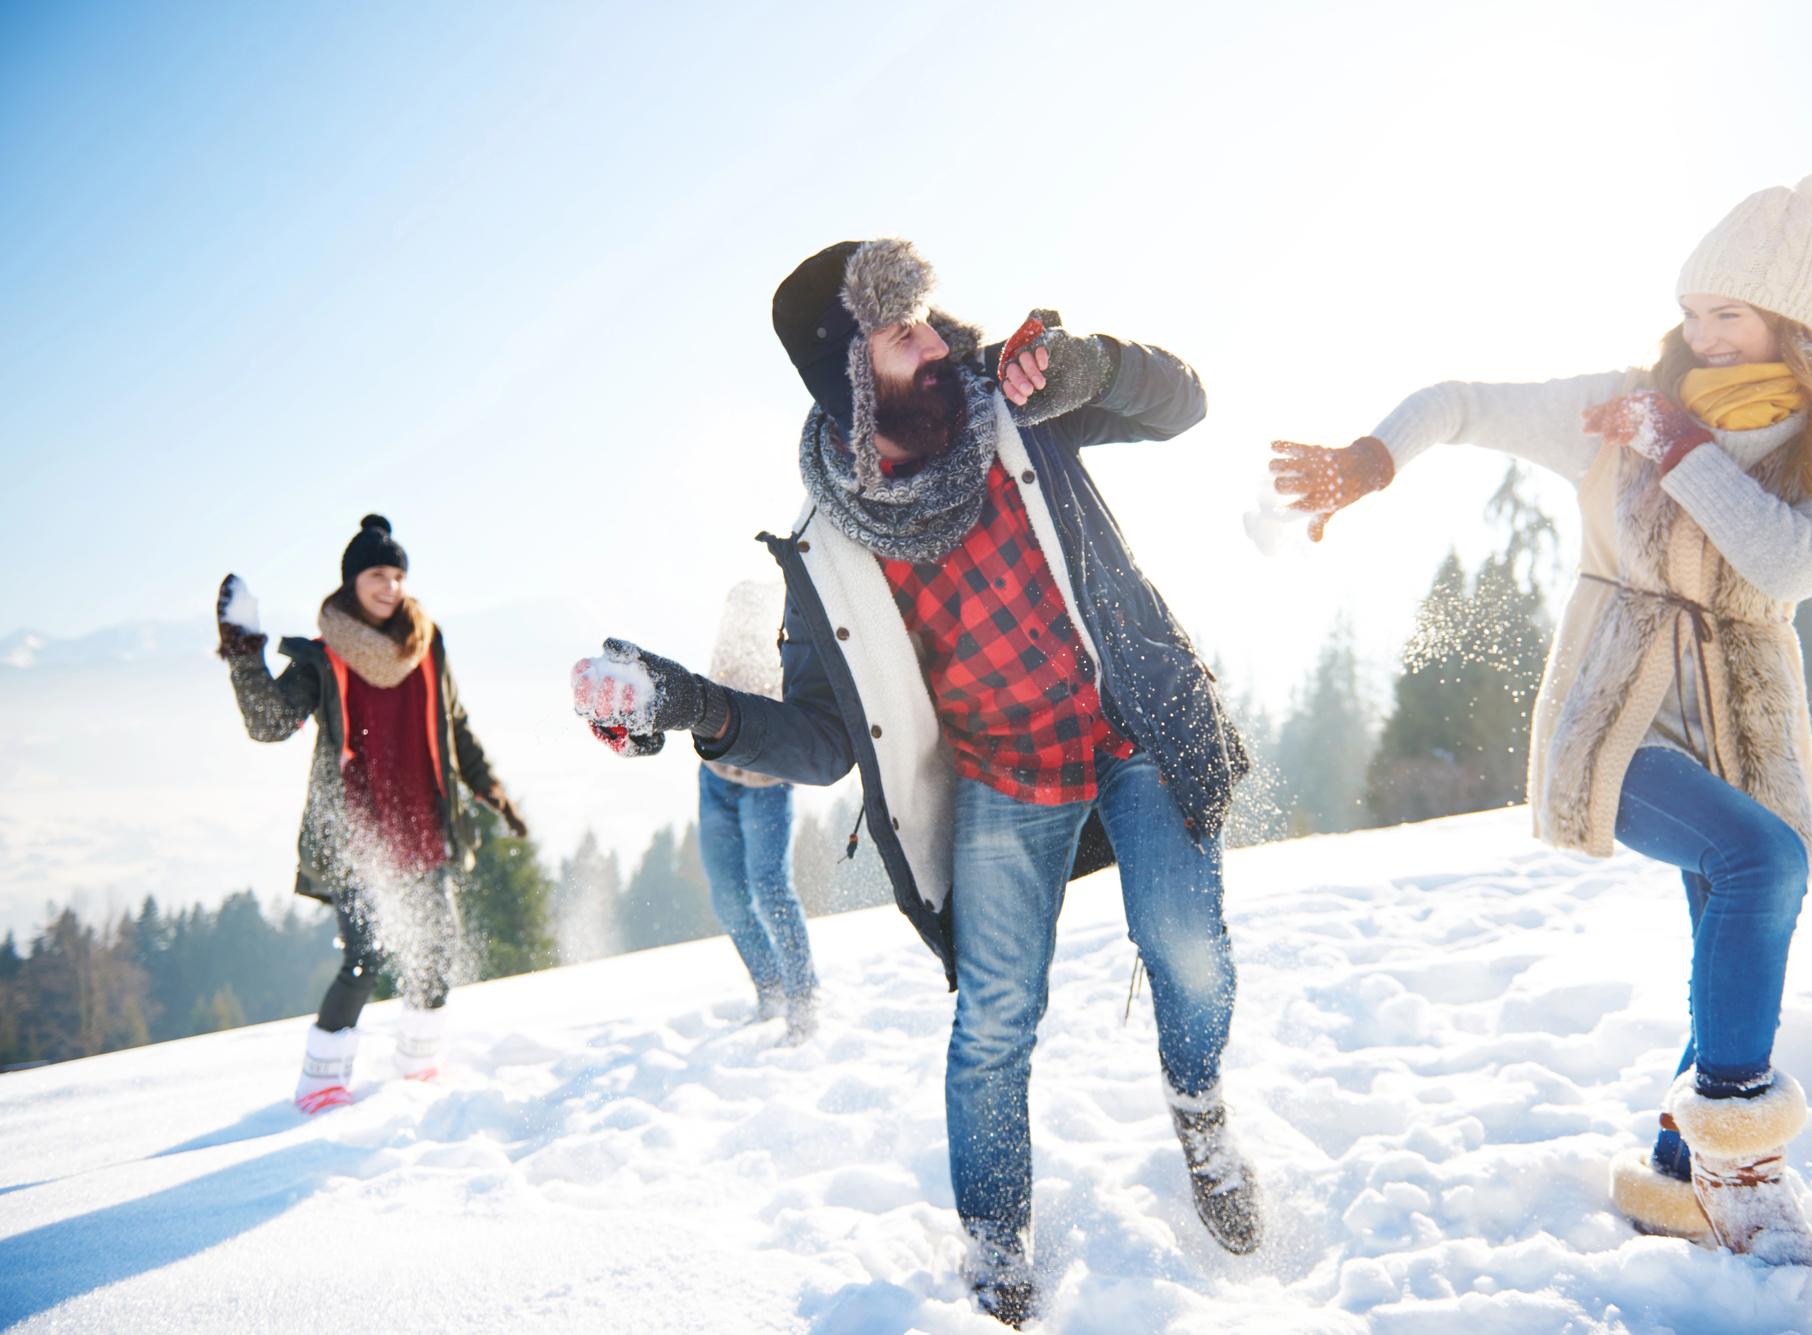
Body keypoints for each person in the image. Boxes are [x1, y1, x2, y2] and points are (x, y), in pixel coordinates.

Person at [571, 239, 1258, 1325]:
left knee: (1186, 951)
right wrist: (689, 705)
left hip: (1135, 724)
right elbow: (818, 742)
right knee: (992, 1018)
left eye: (929, 319)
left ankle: (1199, 1108)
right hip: (1004, 777)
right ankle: (993, 1239)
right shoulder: (824, 544)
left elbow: (1183, 404)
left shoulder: (1016, 399)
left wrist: (1092, 368)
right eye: (902, 334)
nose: (936, 342)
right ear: (851, 376)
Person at [1270, 174, 1812, 1265]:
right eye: (1693, 309)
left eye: (1728, 315)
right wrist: (1373, 459)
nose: (1699, 336)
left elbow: (1790, 560)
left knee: (1735, 913)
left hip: (1748, 722)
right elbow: (1460, 401)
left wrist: (1681, 447)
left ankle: (1674, 1171)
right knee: (1759, 864)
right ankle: (1740, 1174)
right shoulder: (1619, 403)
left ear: (1786, 322)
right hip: (1619, 712)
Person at [219, 515, 527, 1113]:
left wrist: (490, 788)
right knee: (366, 960)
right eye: (377, 576)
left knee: (437, 953)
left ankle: (418, 1066)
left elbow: (453, 724)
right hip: (358, 835)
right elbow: (270, 722)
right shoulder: (323, 657)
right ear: (351, 582)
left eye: (398, 575)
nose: (390, 587)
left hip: (424, 824)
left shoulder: (427, 643)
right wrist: (242, 651)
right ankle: (322, 1082)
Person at [697, 579, 819, 1041]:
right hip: (717, 776)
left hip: (768, 779)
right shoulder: (742, 597)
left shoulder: (793, 616)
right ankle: (770, 990)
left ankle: (802, 997)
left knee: (769, 889)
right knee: (728, 895)